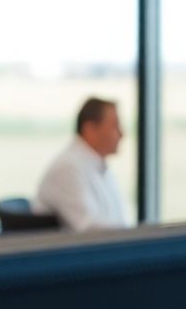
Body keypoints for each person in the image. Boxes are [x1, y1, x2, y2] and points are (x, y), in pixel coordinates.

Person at [34, 97, 130, 232]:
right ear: (90, 129)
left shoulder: (97, 166)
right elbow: (88, 228)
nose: (122, 134)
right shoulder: (67, 168)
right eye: (114, 126)